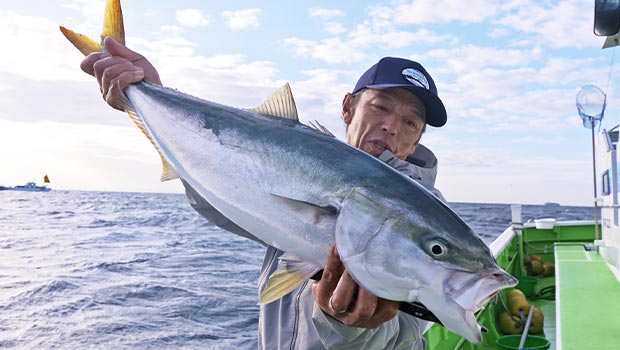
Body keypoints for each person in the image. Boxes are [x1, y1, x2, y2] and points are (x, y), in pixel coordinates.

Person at [81, 37, 447, 350]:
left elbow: (407, 333)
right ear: (348, 108)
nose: (390, 125)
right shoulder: (302, 164)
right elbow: (223, 206)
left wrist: (347, 327)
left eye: (410, 121)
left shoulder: (431, 219)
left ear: (417, 139)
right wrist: (145, 92)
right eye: (380, 106)